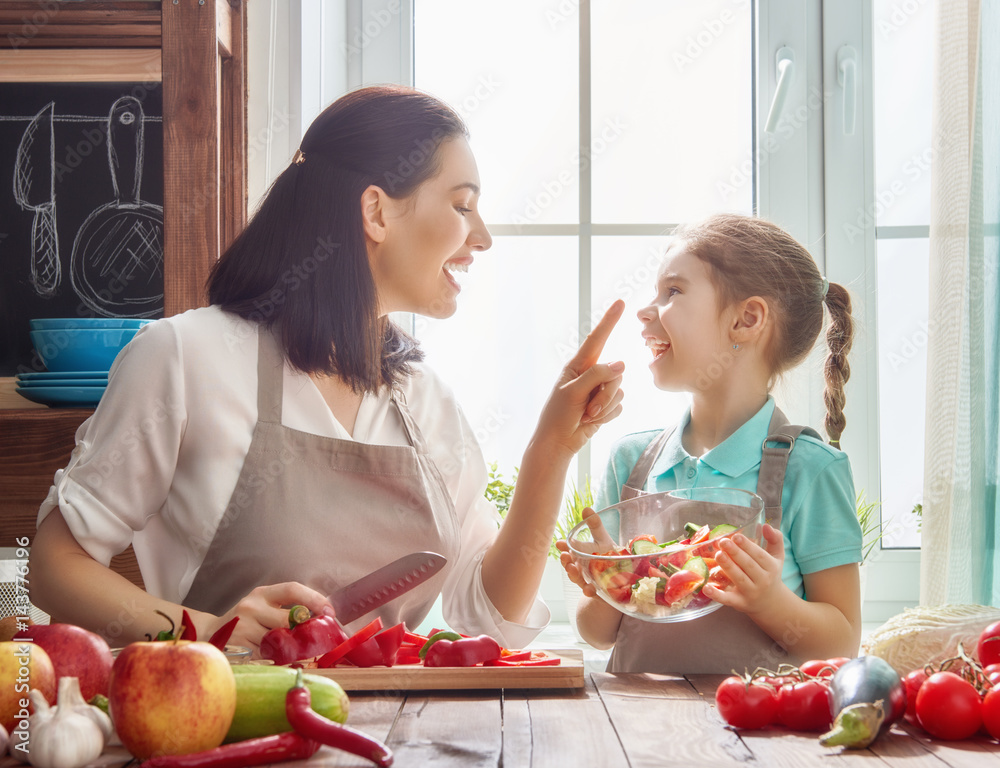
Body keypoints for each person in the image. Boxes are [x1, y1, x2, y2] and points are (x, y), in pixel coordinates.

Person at [29, 85, 626, 655]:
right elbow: (55, 566)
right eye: (462, 204)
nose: (483, 237)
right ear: (376, 211)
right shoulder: (187, 357)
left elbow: (489, 614)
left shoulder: (425, 401)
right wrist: (205, 630)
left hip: (398, 740)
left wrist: (551, 451)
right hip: (225, 737)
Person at [558, 213, 863, 674]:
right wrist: (607, 580)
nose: (646, 311)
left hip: (756, 736)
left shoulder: (810, 469)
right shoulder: (631, 462)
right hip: (633, 733)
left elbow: (842, 642)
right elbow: (597, 633)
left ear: (746, 319)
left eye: (673, 292)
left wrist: (769, 601)